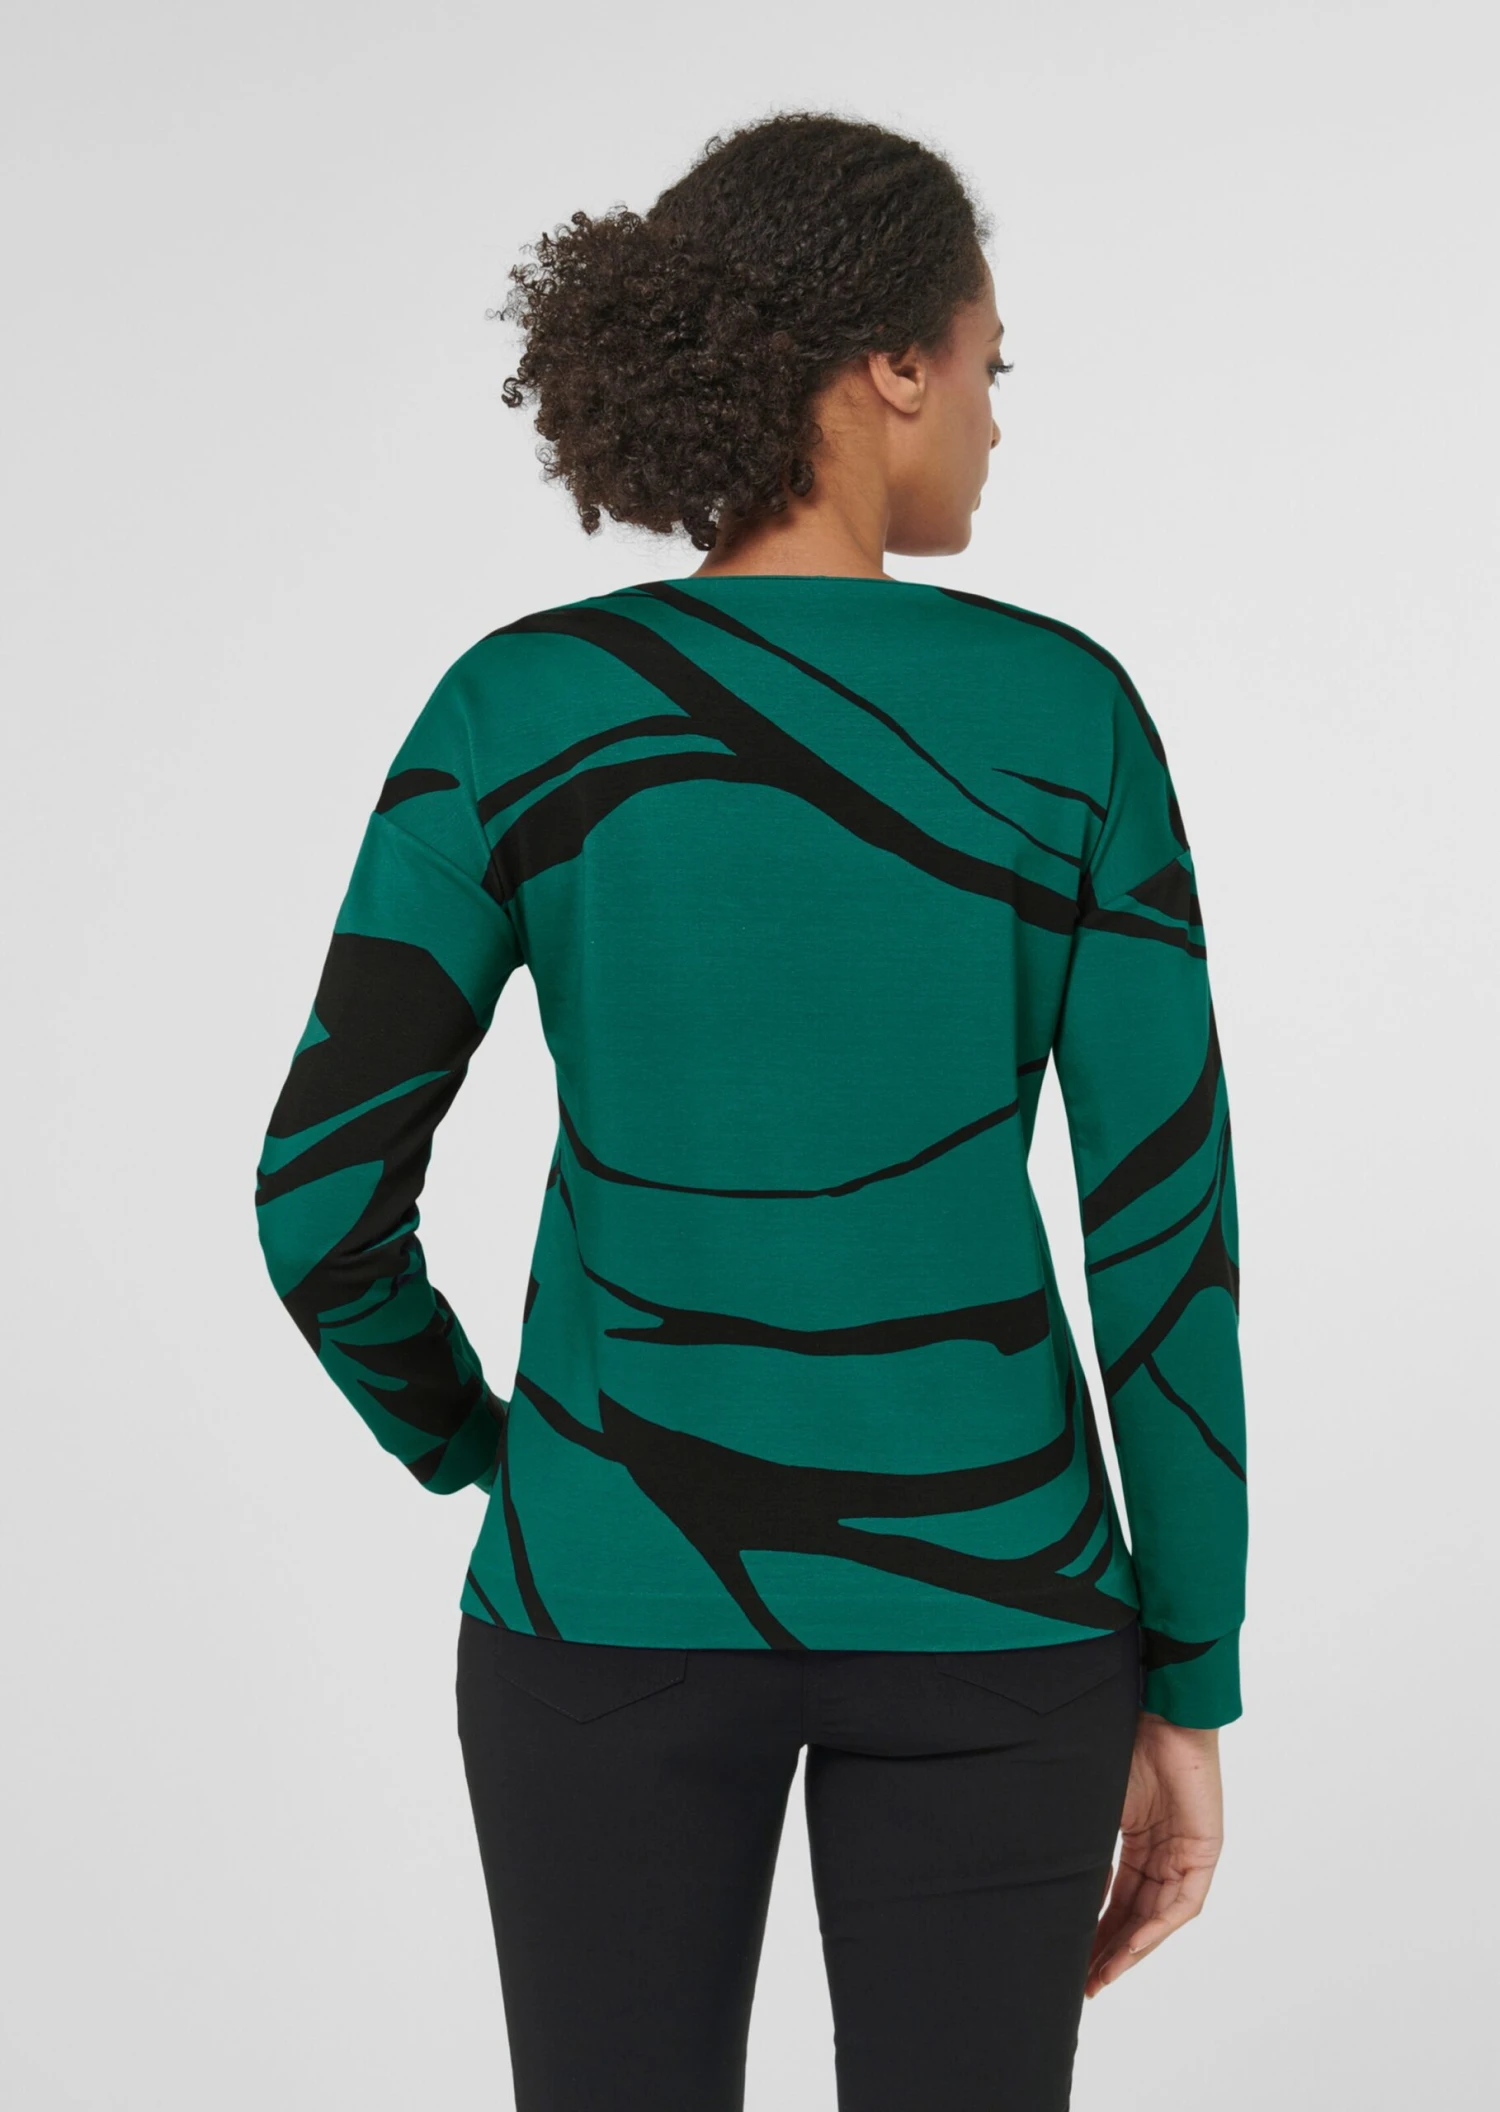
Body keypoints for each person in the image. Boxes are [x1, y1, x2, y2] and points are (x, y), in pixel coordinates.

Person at [254, 109, 1247, 2112]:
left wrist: (500, 1459)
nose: (995, 417)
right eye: (988, 364)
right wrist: (1192, 1669)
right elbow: (1165, 1241)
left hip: (604, 1595)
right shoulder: (1071, 719)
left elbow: (319, 1202)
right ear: (893, 366)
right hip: (1001, 1610)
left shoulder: (518, 708)